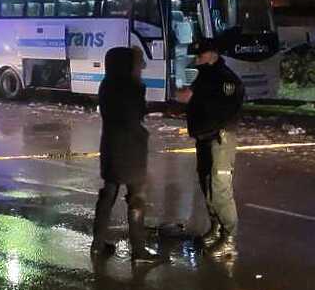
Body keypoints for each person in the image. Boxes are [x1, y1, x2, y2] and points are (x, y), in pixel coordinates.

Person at [91, 46, 165, 263]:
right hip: (131, 151)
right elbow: (135, 118)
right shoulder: (133, 87)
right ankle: (139, 249)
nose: (140, 67)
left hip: (111, 148)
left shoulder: (106, 85)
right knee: (137, 198)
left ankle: (97, 244)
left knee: (108, 195)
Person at [176, 38, 244, 258]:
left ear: (213, 54)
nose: (197, 59)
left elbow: (222, 110)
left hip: (220, 138)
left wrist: (195, 99)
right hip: (204, 138)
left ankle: (229, 238)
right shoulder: (205, 76)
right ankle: (215, 229)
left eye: (201, 55)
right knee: (206, 186)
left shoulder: (226, 80)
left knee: (219, 190)